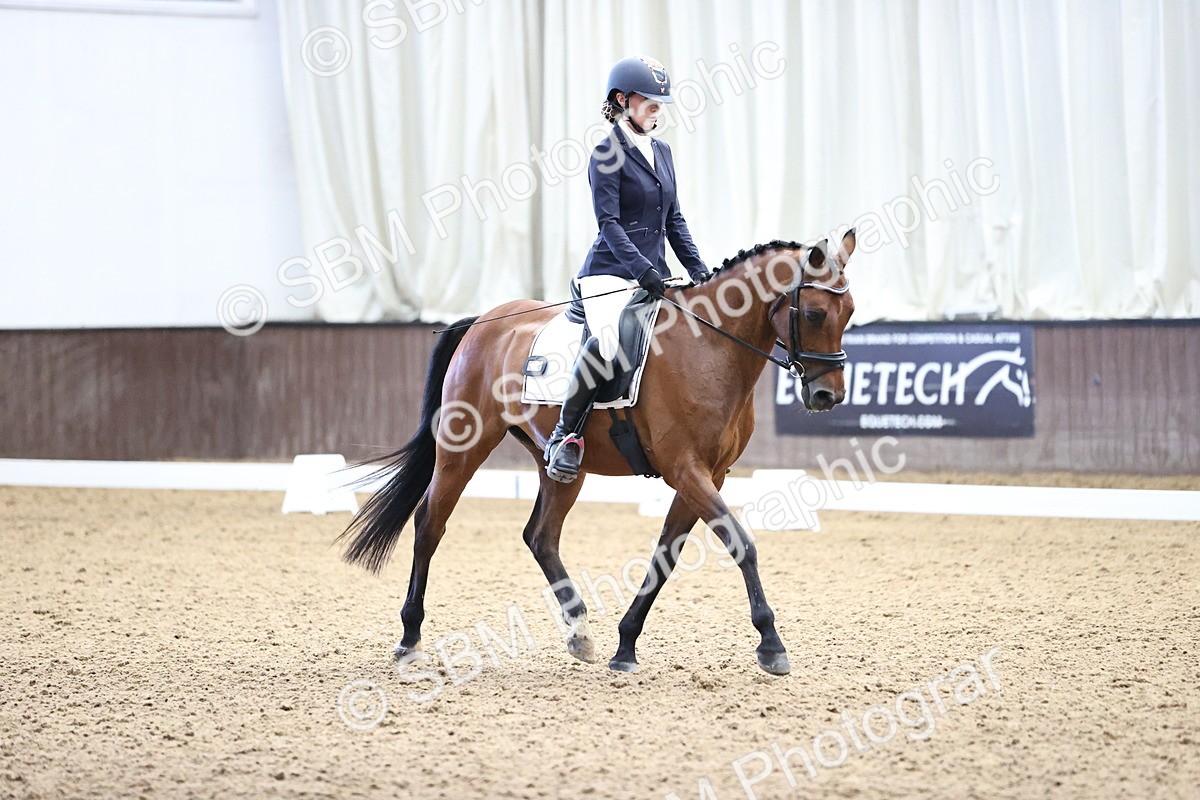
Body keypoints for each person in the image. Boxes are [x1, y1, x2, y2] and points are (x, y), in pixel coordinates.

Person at [544, 55, 714, 484]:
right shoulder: (606, 154)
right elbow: (610, 225)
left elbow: (674, 220)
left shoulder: (663, 151)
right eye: (650, 101)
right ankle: (566, 436)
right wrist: (642, 271)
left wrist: (701, 272)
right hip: (610, 271)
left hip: (652, 271)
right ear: (622, 101)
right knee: (605, 344)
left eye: (661, 102)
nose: (659, 108)